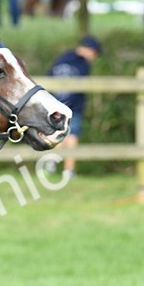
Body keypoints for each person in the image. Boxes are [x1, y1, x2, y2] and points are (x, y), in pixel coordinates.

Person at [47, 36, 102, 181]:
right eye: (94, 53)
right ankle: (68, 170)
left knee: (58, 134)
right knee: (72, 137)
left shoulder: (62, 58)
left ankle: (52, 161)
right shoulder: (83, 64)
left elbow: (49, 75)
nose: (93, 57)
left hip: (56, 104)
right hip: (73, 107)